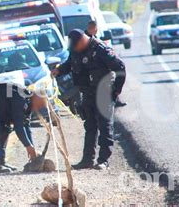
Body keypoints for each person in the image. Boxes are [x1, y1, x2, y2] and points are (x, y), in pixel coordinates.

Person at [52, 29, 126, 170]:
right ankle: (87, 160)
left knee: (105, 126)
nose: (74, 49)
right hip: (87, 93)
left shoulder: (100, 50)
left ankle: (103, 160)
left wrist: (116, 90)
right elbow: (70, 64)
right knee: (90, 126)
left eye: (76, 46)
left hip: (104, 93)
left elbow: (120, 67)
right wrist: (59, 70)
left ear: (82, 41)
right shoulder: (76, 50)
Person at [86, 21, 127, 107]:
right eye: (96, 29)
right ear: (93, 29)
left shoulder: (93, 38)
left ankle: (115, 98)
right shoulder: (87, 40)